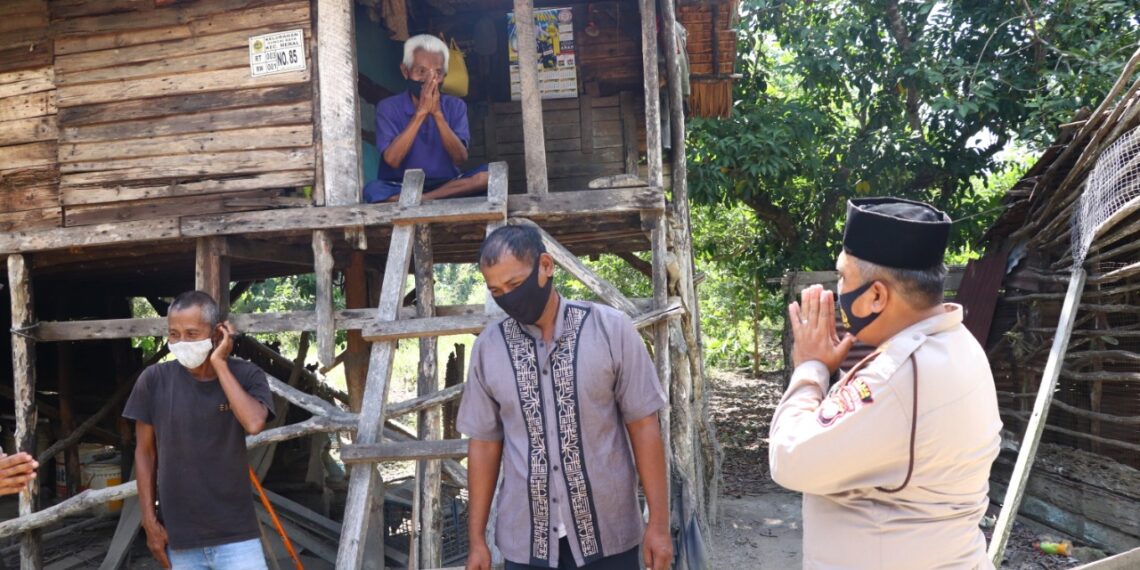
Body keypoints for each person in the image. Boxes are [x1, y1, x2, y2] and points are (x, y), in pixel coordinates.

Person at [769, 197, 1002, 569]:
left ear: (876, 295)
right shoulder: (957, 344)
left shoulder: (896, 377)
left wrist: (810, 367)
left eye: (844, 277)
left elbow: (789, 458)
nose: (839, 290)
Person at [459, 225, 673, 570]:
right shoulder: (489, 348)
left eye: (514, 285)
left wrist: (659, 526)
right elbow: (483, 445)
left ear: (546, 266)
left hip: (609, 536)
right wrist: (477, 542)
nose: (508, 297)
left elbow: (644, 426)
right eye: (496, 290)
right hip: (525, 543)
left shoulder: (611, 330)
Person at [124, 291, 275, 570]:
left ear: (218, 333)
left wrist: (219, 364)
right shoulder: (153, 380)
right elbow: (144, 452)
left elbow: (254, 423)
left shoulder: (246, 375)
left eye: (192, 334)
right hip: (179, 537)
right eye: (174, 334)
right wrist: (149, 521)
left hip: (236, 535)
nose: (182, 343)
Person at [363, 34, 488, 203]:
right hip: (399, 185)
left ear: (444, 75)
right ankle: (427, 198)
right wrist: (421, 113)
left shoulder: (455, 106)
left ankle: (423, 199)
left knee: (487, 176)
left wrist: (437, 114)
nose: (430, 80)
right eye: (421, 71)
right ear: (405, 71)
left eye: (438, 72)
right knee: (372, 191)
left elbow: (460, 158)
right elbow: (392, 160)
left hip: (447, 184)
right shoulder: (388, 107)